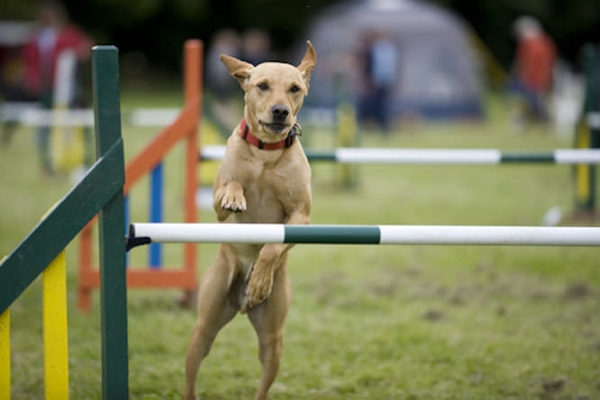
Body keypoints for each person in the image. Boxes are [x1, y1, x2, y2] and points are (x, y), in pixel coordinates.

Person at [21, 0, 92, 177]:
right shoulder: (36, 36)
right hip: (44, 87)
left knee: (77, 123)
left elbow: (86, 48)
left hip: (68, 86)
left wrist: (74, 57)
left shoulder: (69, 33)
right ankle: (47, 165)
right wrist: (32, 79)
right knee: (45, 124)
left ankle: (85, 160)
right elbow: (29, 60)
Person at [509, 16, 557, 128]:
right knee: (531, 102)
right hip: (535, 79)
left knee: (535, 103)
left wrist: (523, 76)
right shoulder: (543, 42)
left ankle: (542, 122)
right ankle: (536, 122)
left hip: (535, 79)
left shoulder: (535, 44)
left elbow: (526, 63)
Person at [357, 31, 398, 133]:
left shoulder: (374, 51)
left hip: (376, 83)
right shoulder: (386, 50)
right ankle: (380, 127)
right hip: (382, 82)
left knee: (377, 106)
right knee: (379, 106)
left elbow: (369, 67)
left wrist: (369, 81)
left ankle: (381, 127)